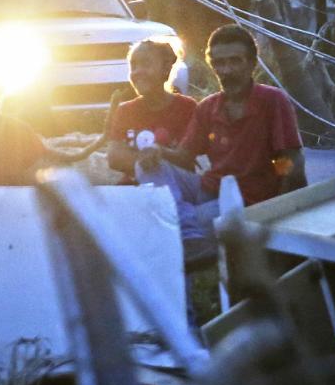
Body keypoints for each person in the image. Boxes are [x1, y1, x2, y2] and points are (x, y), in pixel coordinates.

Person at [133, 24, 304, 253]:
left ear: (252, 63)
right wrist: (158, 151)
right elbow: (184, 156)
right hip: (207, 188)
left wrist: (282, 210)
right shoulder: (208, 107)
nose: (227, 70)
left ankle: (185, 225)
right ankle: (186, 224)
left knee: (169, 224)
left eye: (235, 61)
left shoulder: (272, 101)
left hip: (245, 201)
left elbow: (288, 160)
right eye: (220, 63)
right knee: (146, 166)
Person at [104, 39, 198, 184]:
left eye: (146, 64)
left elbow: (187, 158)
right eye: (133, 66)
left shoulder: (187, 108)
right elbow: (114, 157)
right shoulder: (125, 111)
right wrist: (153, 159)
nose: (137, 72)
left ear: (166, 69)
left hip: (176, 189)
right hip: (134, 189)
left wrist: (157, 156)